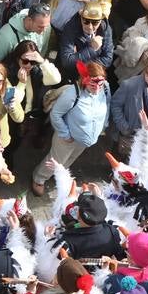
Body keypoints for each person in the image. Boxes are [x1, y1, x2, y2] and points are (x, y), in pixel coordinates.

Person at [30, 61, 110, 197]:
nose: (97, 88)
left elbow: (107, 104)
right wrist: (65, 134)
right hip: (67, 139)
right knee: (56, 159)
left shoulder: (105, 89)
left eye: (100, 83)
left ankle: (58, 174)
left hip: (84, 140)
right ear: (85, 80)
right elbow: (56, 114)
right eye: (93, 83)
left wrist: (103, 124)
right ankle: (39, 178)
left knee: (69, 160)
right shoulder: (72, 94)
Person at [58, 4, 115, 78]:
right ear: (81, 18)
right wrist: (92, 49)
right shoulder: (71, 27)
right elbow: (67, 62)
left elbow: (108, 60)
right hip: (72, 75)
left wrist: (78, 59)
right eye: (86, 21)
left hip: (91, 75)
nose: (90, 27)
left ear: (100, 21)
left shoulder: (105, 29)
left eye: (95, 23)